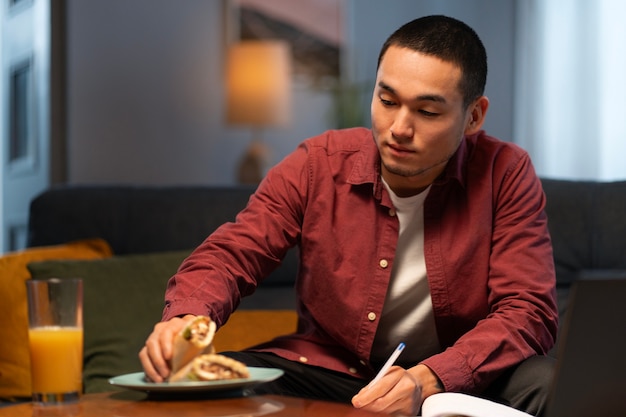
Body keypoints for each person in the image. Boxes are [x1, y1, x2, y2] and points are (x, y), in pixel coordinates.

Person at [140, 15, 558, 416]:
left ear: (474, 116)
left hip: (456, 379)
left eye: (427, 112)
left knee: (548, 383)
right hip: (334, 374)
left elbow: (527, 310)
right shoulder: (318, 163)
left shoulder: (505, 172)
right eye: (386, 100)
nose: (398, 128)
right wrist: (186, 319)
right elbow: (234, 252)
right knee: (217, 385)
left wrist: (429, 379)